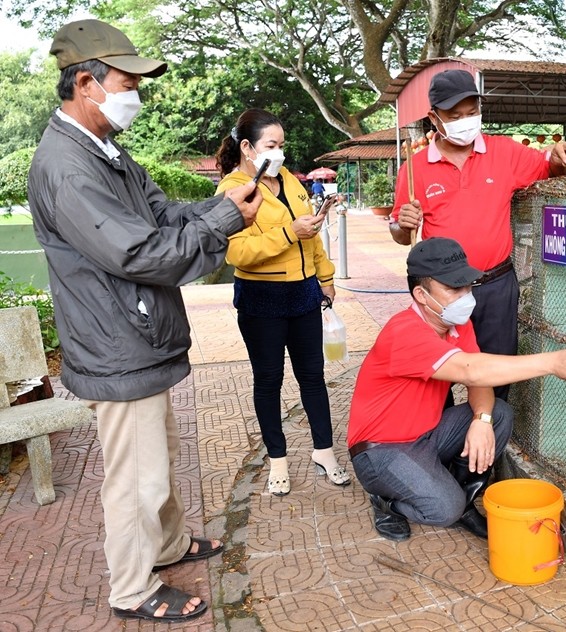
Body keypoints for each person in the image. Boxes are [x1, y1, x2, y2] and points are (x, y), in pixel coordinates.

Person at [27, 20, 263, 623]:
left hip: (137, 336)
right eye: (128, 82)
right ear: (86, 83)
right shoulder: (69, 167)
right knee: (136, 477)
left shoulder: (106, 151)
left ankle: (169, 546)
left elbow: (162, 212)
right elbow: (140, 253)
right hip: (116, 342)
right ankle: (131, 589)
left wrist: (221, 206)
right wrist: (224, 223)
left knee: (160, 455)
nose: (137, 95)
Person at [347, 238, 566, 541]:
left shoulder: (456, 323)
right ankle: (388, 500)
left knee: (497, 412)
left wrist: (481, 420)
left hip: (428, 435)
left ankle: (460, 496)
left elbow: (478, 381)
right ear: (421, 294)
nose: (466, 297)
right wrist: (553, 361)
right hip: (382, 451)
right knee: (445, 511)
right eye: (454, 289)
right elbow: (472, 369)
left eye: (468, 287)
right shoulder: (403, 333)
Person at [390, 69, 566, 402]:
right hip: (442, 292)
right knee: (439, 374)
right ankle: (441, 442)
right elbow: (401, 235)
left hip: (495, 285)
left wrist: (561, 157)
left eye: (472, 112)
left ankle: (489, 434)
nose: (466, 121)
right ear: (435, 118)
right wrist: (402, 225)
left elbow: (549, 167)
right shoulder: (414, 169)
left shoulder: (504, 152)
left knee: (498, 368)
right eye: (455, 116)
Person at [215, 109, 350, 496]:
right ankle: (278, 459)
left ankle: (324, 451)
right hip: (262, 300)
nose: (279, 153)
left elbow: (313, 234)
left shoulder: (290, 180)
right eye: (271, 146)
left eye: (281, 145)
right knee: (269, 380)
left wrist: (325, 278)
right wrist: (289, 232)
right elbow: (237, 253)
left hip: (305, 293)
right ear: (247, 147)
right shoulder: (233, 189)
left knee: (313, 378)